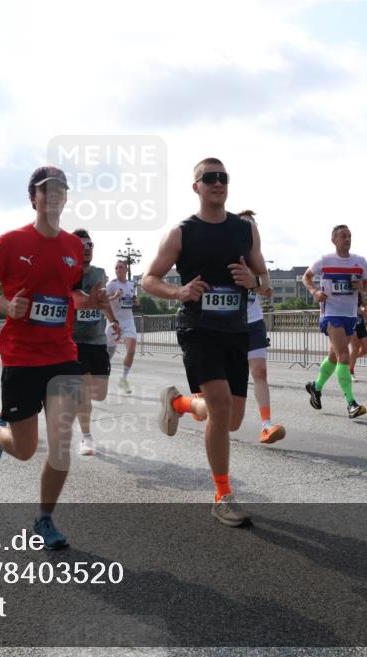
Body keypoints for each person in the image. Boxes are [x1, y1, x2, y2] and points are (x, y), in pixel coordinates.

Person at [0, 165, 108, 548]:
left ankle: (44, 518)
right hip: (21, 356)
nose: (54, 195)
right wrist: (5, 305)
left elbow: (70, 293)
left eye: (61, 189)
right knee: (26, 449)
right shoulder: (11, 241)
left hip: (62, 354)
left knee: (61, 444)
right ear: (33, 198)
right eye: (47, 189)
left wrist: (90, 301)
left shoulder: (72, 247)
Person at [144, 157, 267, 527]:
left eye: (223, 177)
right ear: (195, 186)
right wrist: (178, 291)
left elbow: (265, 282)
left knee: (230, 420)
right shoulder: (182, 232)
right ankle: (222, 495)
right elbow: (149, 279)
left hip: (235, 330)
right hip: (198, 329)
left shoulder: (245, 230)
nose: (217, 183)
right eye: (209, 178)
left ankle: (178, 403)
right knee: (219, 404)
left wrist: (254, 281)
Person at [302, 224, 367, 419]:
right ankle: (351, 403)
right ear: (334, 240)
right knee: (344, 355)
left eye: (349, 236)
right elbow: (306, 277)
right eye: (343, 236)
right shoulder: (325, 260)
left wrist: (361, 286)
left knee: (333, 356)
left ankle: (316, 387)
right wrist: (314, 292)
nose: (347, 239)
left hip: (350, 315)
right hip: (331, 314)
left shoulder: (360, 261)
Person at [236, 210, 285, 445]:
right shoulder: (224, 253)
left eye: (254, 226)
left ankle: (266, 425)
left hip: (254, 322)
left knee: (259, 372)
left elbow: (266, 288)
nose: (251, 230)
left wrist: (254, 282)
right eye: (246, 226)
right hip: (227, 325)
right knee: (226, 380)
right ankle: (193, 404)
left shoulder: (257, 259)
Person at [71, 228, 120, 456]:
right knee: (83, 391)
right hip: (74, 340)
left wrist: (114, 321)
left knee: (99, 393)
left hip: (97, 340)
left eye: (90, 245)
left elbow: (103, 302)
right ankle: (87, 437)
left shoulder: (99, 273)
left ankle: (77, 399)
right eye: (82, 246)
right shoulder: (68, 273)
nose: (87, 249)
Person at [106, 259, 139, 394]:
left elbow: (133, 301)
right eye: (116, 268)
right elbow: (103, 301)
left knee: (131, 350)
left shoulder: (131, 284)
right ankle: (101, 374)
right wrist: (115, 296)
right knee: (108, 354)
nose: (118, 269)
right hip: (114, 322)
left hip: (128, 321)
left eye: (121, 267)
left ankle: (123, 379)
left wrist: (135, 301)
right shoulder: (111, 284)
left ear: (126, 269)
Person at [349, 292, 367, 382]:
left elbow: (364, 305)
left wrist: (365, 311)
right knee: (355, 348)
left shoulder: (360, 291)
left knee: (366, 349)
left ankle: (348, 360)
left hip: (360, 320)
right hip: (350, 319)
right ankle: (350, 372)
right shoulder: (347, 289)